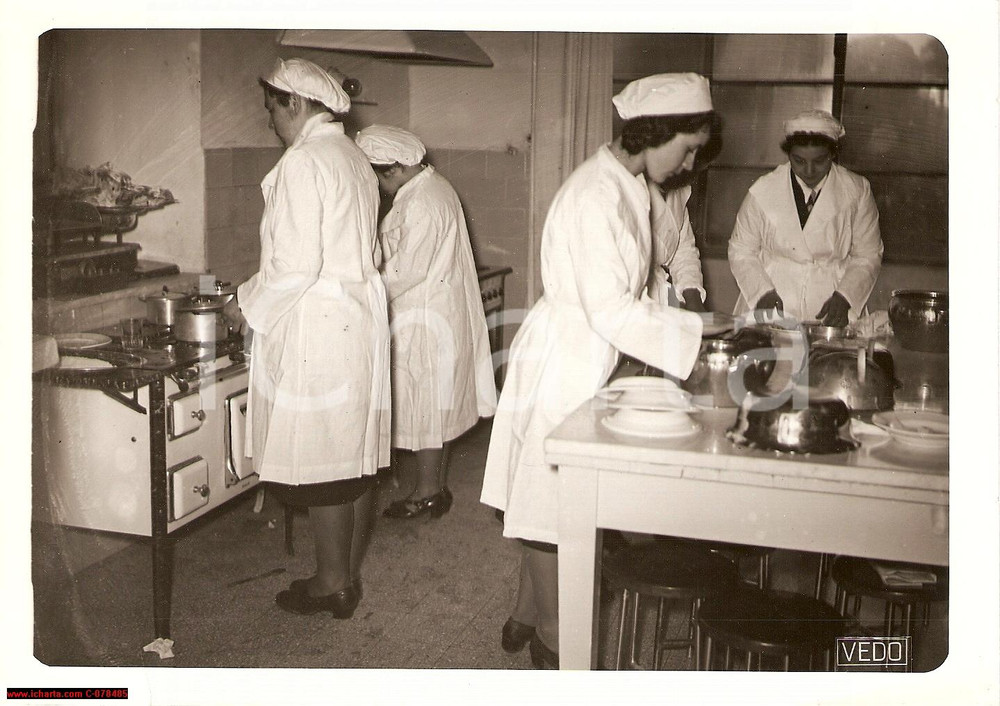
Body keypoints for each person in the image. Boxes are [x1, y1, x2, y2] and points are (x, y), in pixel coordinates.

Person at [479, 73, 715, 668]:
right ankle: (559, 636)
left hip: (591, 348)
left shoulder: (626, 181)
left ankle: (530, 614)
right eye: (686, 148)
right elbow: (610, 307)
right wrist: (697, 340)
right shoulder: (596, 194)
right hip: (568, 353)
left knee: (556, 493)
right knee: (550, 499)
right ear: (657, 132)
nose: (689, 164)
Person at [235, 58, 389, 618]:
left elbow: (295, 266)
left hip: (319, 323)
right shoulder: (352, 156)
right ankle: (343, 574)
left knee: (327, 457)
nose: (271, 122)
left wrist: (243, 305)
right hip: (357, 319)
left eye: (273, 110)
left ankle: (331, 581)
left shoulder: (303, 162)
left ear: (294, 104)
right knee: (354, 452)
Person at [354, 125, 498, 519]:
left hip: (425, 315)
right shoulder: (428, 187)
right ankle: (431, 486)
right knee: (430, 406)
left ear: (395, 168)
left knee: (427, 406)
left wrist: (359, 294)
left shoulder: (422, 203)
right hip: (431, 310)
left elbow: (405, 271)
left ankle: (429, 491)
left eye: (380, 176)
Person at [728, 109, 883, 326]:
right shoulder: (763, 190)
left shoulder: (857, 190)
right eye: (799, 161)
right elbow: (741, 250)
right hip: (773, 301)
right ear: (789, 154)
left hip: (833, 304)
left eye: (819, 161)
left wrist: (846, 296)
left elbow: (868, 254)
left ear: (832, 154)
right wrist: (761, 292)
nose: (809, 171)